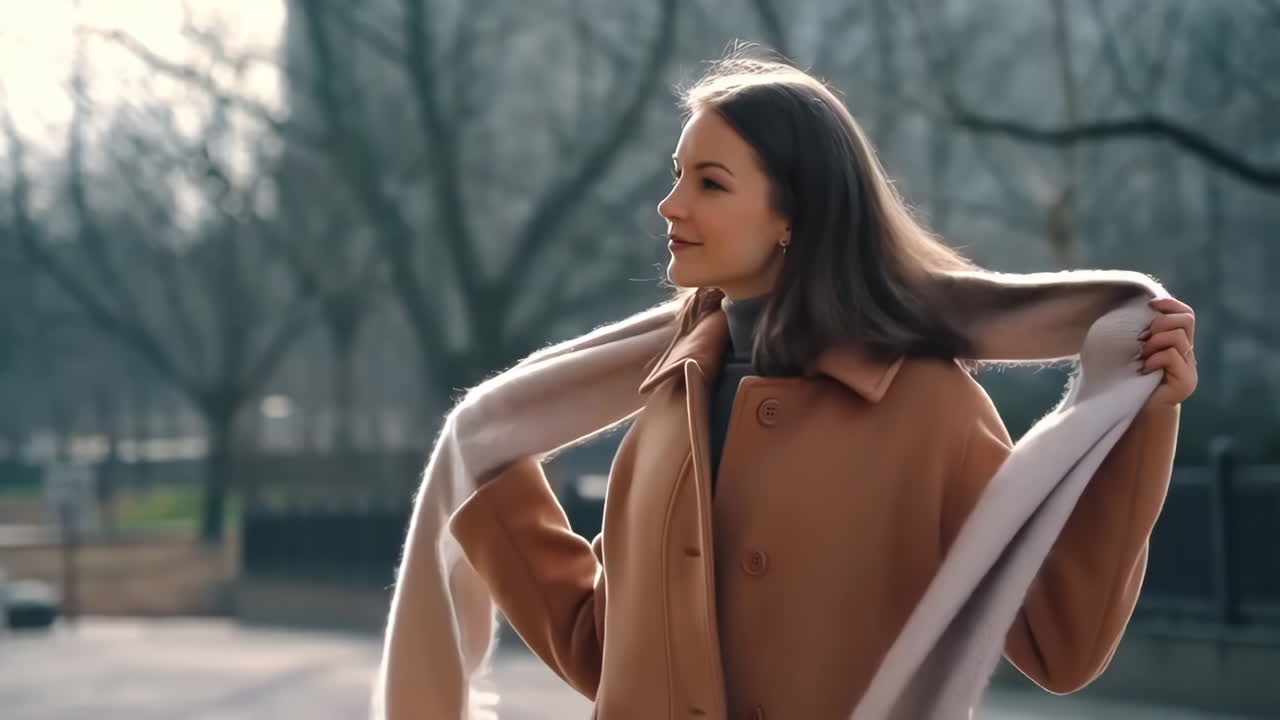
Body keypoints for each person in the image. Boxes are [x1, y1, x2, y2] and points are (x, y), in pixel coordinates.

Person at [377, 55, 1197, 720]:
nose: (670, 205)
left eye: (710, 182)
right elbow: (607, 653)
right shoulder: (668, 406)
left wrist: (1146, 416)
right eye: (676, 175)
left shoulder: (926, 410)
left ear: (792, 215)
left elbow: (1061, 646)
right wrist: (486, 462)